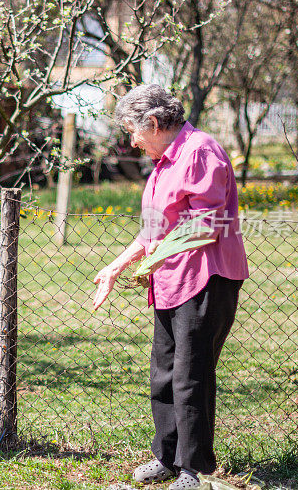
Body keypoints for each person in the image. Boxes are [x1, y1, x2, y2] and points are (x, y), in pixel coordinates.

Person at [92, 85, 249, 490]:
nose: (132, 141)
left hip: (205, 279)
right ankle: (165, 457)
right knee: (163, 373)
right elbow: (154, 230)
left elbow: (209, 222)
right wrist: (117, 265)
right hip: (171, 281)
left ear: (156, 123)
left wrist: (159, 254)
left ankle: (194, 469)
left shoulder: (199, 151)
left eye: (133, 131)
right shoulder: (164, 162)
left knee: (190, 375)